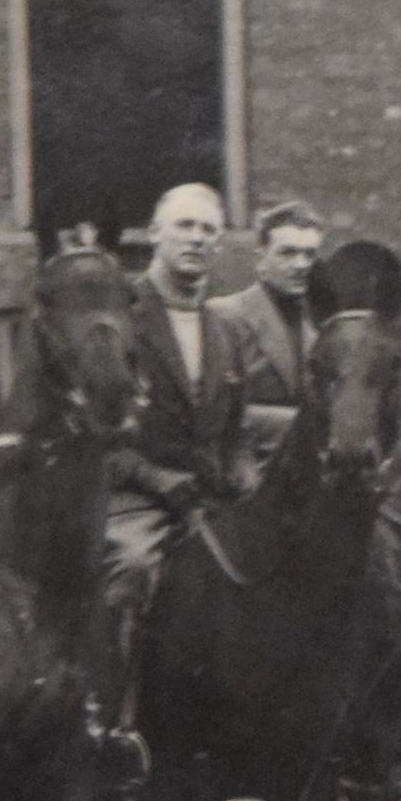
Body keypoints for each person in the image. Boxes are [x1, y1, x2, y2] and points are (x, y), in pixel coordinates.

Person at [87, 184, 286, 744]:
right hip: (135, 497)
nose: (197, 240)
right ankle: (111, 726)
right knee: (128, 571)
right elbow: (101, 437)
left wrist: (246, 478)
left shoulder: (224, 327)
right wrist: (158, 480)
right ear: (154, 234)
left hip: (208, 498)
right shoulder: (118, 319)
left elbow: (237, 429)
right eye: (184, 227)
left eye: (208, 230)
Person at [229, 202, 332, 459]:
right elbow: (215, 412)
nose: (301, 265)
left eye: (309, 255)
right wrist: (299, 426)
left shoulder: (317, 329)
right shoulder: (227, 316)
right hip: (246, 473)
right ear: (260, 259)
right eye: (287, 253)